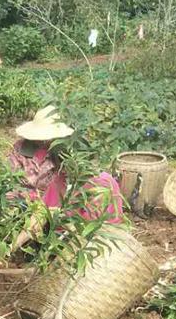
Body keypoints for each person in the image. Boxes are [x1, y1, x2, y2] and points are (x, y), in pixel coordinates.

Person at [7, 105, 124, 253]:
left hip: (86, 234)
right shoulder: (23, 152)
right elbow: (34, 207)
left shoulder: (101, 182)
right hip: (37, 208)